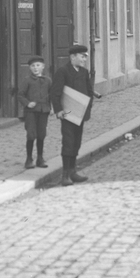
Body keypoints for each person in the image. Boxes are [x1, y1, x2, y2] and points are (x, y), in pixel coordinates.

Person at [51, 43, 95, 186]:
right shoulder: (63, 71)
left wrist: (88, 107)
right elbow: (55, 92)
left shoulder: (84, 72)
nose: (84, 60)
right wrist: (58, 110)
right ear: (73, 57)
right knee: (68, 142)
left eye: (85, 57)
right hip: (68, 113)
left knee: (76, 142)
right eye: (82, 57)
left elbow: (89, 91)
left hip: (80, 113)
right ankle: (65, 175)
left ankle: (72, 172)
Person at [16, 55, 51, 169]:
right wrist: (27, 103)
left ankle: (40, 159)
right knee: (31, 134)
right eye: (32, 66)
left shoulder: (48, 80)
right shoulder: (27, 80)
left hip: (43, 111)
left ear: (43, 66)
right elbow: (20, 95)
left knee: (41, 134)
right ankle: (29, 159)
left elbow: (52, 94)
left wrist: (53, 107)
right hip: (30, 112)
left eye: (38, 65)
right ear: (29, 68)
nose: (35, 68)